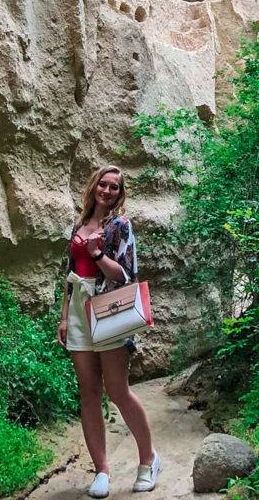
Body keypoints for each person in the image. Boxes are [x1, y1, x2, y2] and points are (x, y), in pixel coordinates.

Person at [58, 164, 161, 498]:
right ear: (94, 186)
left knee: (117, 390)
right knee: (88, 392)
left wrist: (97, 253)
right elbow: (69, 274)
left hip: (108, 309)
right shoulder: (78, 222)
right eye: (102, 184)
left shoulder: (120, 225)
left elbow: (125, 274)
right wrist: (63, 317)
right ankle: (101, 470)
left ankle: (148, 459)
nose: (106, 191)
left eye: (114, 187)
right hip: (78, 309)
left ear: (120, 193)